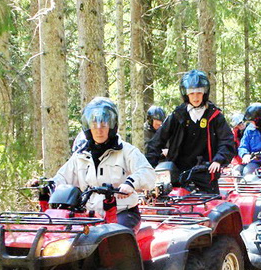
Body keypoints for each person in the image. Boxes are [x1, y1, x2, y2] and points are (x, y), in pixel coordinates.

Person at [50, 97, 156, 229]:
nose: (99, 129)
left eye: (104, 125)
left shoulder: (126, 151)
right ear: (88, 127)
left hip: (122, 213)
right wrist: (49, 185)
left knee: (116, 239)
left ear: (111, 126)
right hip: (90, 214)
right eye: (94, 125)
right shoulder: (81, 155)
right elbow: (62, 178)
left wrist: (130, 183)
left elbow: (148, 172)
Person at [146, 70, 235, 193]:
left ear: (205, 92)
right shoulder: (178, 115)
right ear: (186, 94)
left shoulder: (215, 115)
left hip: (206, 172)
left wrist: (219, 159)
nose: (195, 97)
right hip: (178, 173)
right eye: (191, 93)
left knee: (208, 208)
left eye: (199, 92)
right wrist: (149, 168)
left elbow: (227, 141)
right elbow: (156, 142)